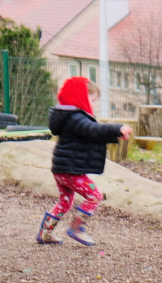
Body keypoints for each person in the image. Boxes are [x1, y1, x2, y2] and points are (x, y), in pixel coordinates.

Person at [37, 76, 132, 246]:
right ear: (80, 97)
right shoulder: (76, 118)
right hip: (71, 171)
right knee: (95, 196)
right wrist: (117, 128)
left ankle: (45, 233)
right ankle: (76, 228)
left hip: (60, 169)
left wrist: (114, 135)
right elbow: (93, 129)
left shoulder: (68, 117)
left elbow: (91, 134)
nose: (94, 104)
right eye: (93, 100)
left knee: (64, 202)